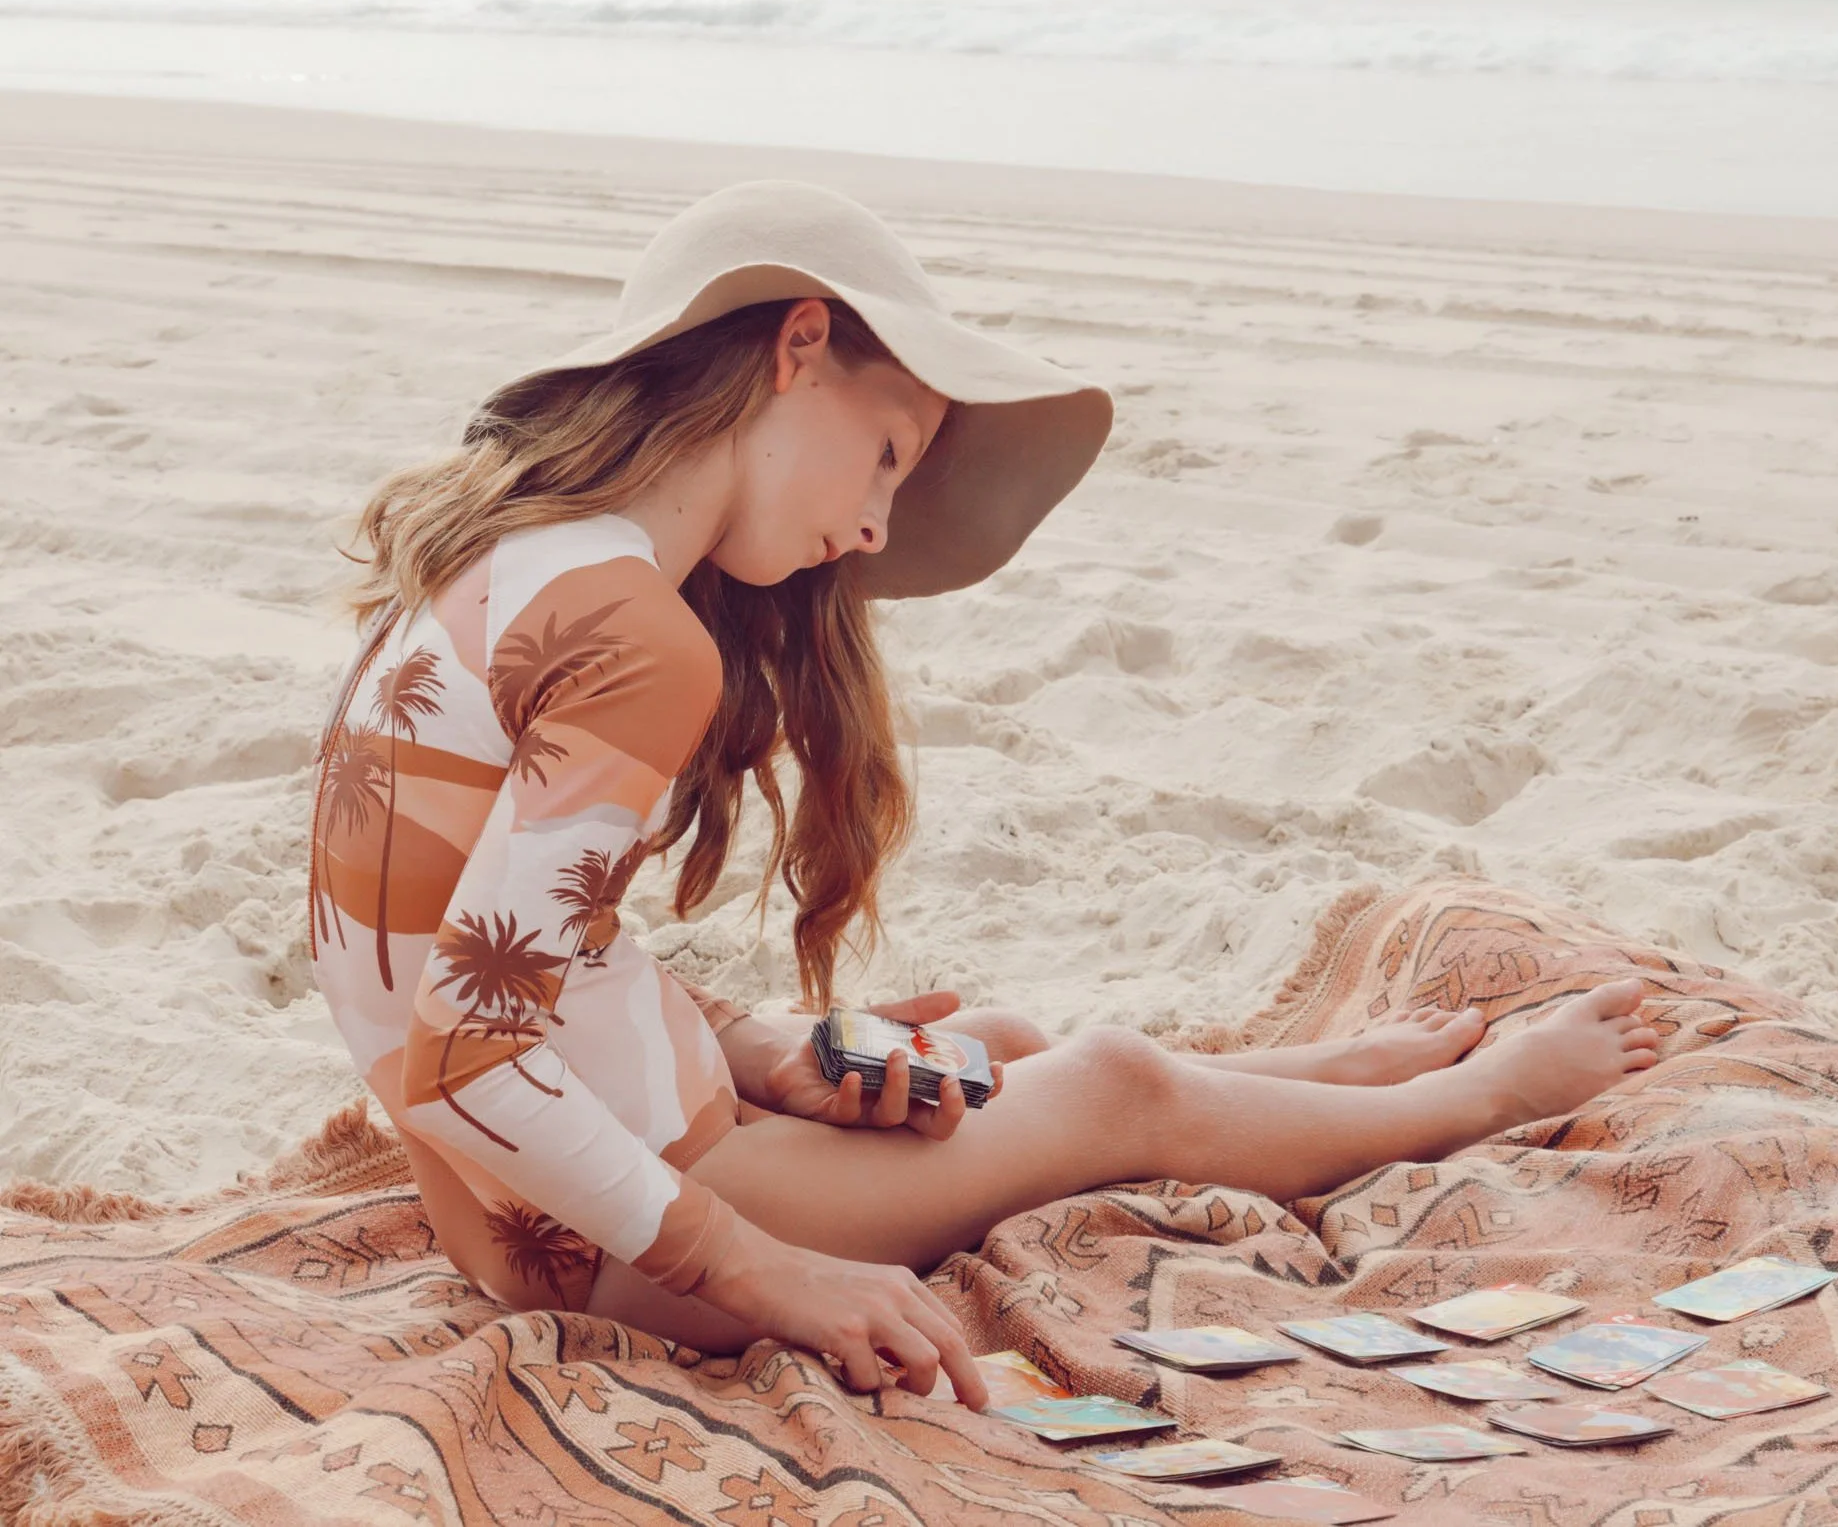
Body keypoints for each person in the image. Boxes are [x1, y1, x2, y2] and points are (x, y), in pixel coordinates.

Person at [305, 180, 1663, 1410]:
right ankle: (1456, 1103)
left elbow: (483, 937)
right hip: (614, 1225)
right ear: (799, 347)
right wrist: (771, 1273)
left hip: (551, 1176)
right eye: (890, 453)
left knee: (983, 1044)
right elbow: (468, 1051)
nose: (879, 528)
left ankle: (1312, 1077)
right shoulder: (637, 640)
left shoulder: (501, 564)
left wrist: (746, 1041)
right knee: (1109, 1083)